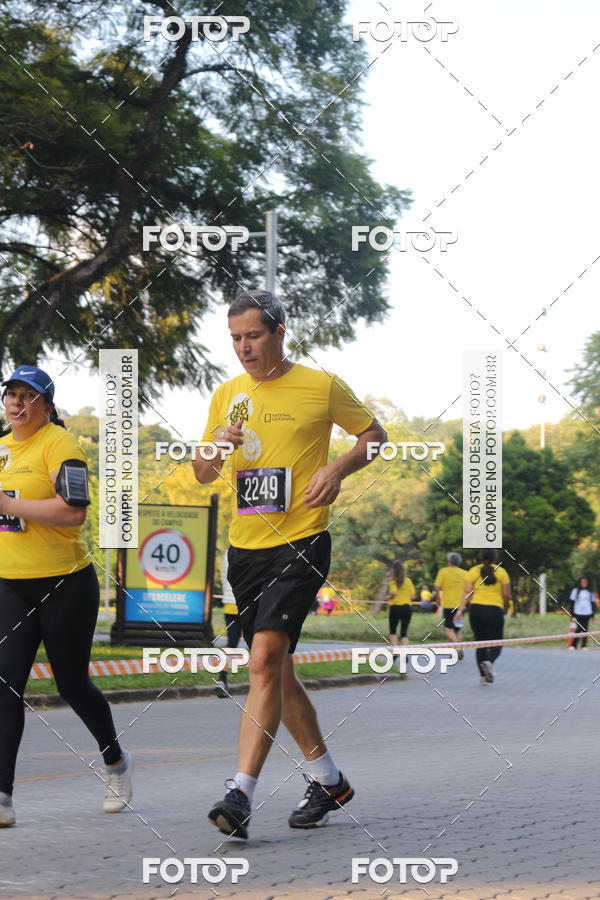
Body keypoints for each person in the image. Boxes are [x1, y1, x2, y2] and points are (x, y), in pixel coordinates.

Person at [192, 290, 386, 839]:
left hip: (301, 540)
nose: (243, 348)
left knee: (264, 660)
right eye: (235, 338)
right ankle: (329, 779)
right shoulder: (228, 394)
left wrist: (339, 469)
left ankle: (240, 793)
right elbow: (203, 473)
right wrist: (215, 448)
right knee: (275, 669)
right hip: (245, 547)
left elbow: (375, 436)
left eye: (252, 335)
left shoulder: (320, 386)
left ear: (279, 331)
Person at [0, 365, 133, 827]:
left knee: (71, 684)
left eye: (28, 396)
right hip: (9, 585)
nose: (17, 403)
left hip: (64, 583)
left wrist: (9, 505)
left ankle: (115, 762)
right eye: (11, 394)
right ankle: (2, 797)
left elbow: (74, 513)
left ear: (47, 406)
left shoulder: (61, 445)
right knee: (5, 685)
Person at [454, 548, 511, 684]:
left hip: (476, 610)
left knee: (480, 643)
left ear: (480, 556)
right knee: (498, 642)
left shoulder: (473, 571)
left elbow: (467, 591)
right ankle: (489, 662)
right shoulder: (502, 572)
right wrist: (506, 606)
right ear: (495, 557)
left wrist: (460, 610)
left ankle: (482, 677)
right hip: (494, 610)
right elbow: (506, 595)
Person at [215, 550, 243, 697]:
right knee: (259, 645)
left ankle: (222, 680)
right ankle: (263, 684)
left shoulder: (227, 553)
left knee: (231, 645)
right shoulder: (249, 549)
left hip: (230, 606)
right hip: (249, 605)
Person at [434, 552, 470, 660]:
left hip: (449, 605)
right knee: (457, 630)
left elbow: (436, 587)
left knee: (447, 629)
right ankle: (454, 651)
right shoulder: (466, 573)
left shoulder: (443, 572)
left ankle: (458, 648)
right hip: (461, 606)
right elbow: (469, 590)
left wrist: (438, 599)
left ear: (449, 561)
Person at [387, 560, 415, 647]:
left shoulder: (392, 581)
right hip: (407, 608)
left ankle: (395, 652)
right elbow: (413, 596)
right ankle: (405, 652)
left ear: (393, 569)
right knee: (404, 633)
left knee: (393, 631)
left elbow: (394, 593)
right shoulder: (408, 581)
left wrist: (388, 597)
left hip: (395, 608)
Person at [568, 576, 598, 650]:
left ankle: (583, 646)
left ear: (587, 583)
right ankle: (573, 645)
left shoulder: (590, 592)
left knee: (585, 630)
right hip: (578, 613)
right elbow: (572, 604)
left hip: (587, 613)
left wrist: (593, 615)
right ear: (580, 583)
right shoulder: (575, 591)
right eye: (582, 582)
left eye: (585, 582)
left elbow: (593, 604)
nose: (584, 583)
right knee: (578, 629)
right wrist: (572, 615)